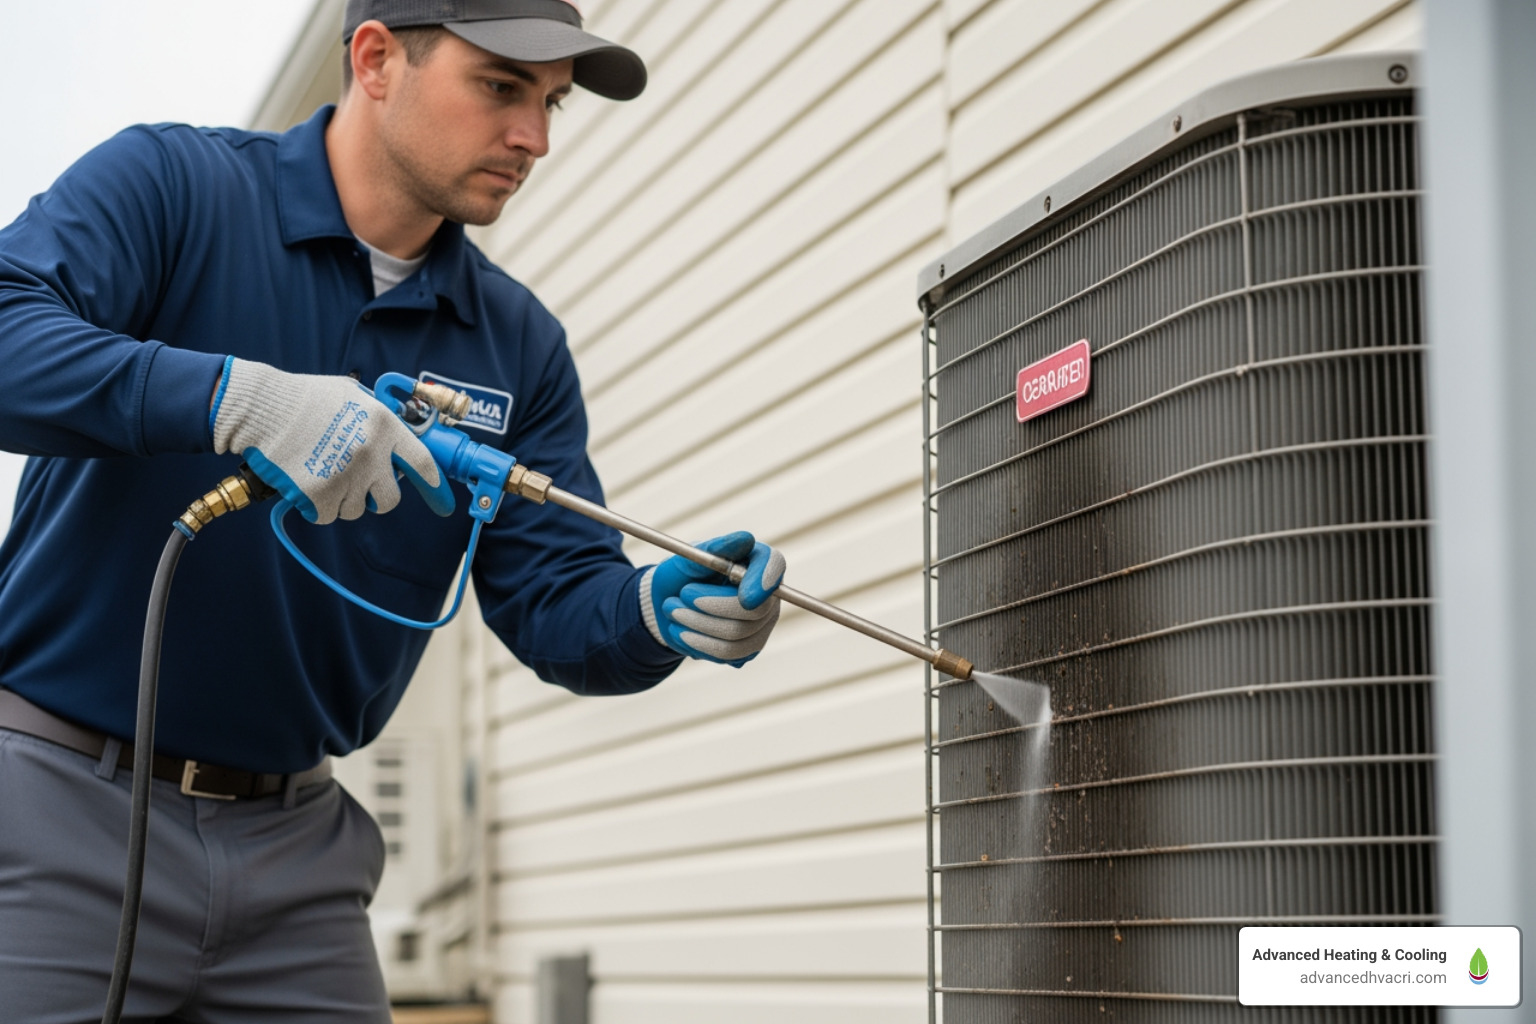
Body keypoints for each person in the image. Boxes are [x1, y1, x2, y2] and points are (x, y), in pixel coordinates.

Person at [0, 0, 785, 1018]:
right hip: (58, 809)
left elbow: (553, 598)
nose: (534, 138)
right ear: (375, 59)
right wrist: (236, 398)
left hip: (299, 858)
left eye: (550, 104)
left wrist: (652, 612)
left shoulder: (516, 345)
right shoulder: (173, 189)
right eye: (502, 88)